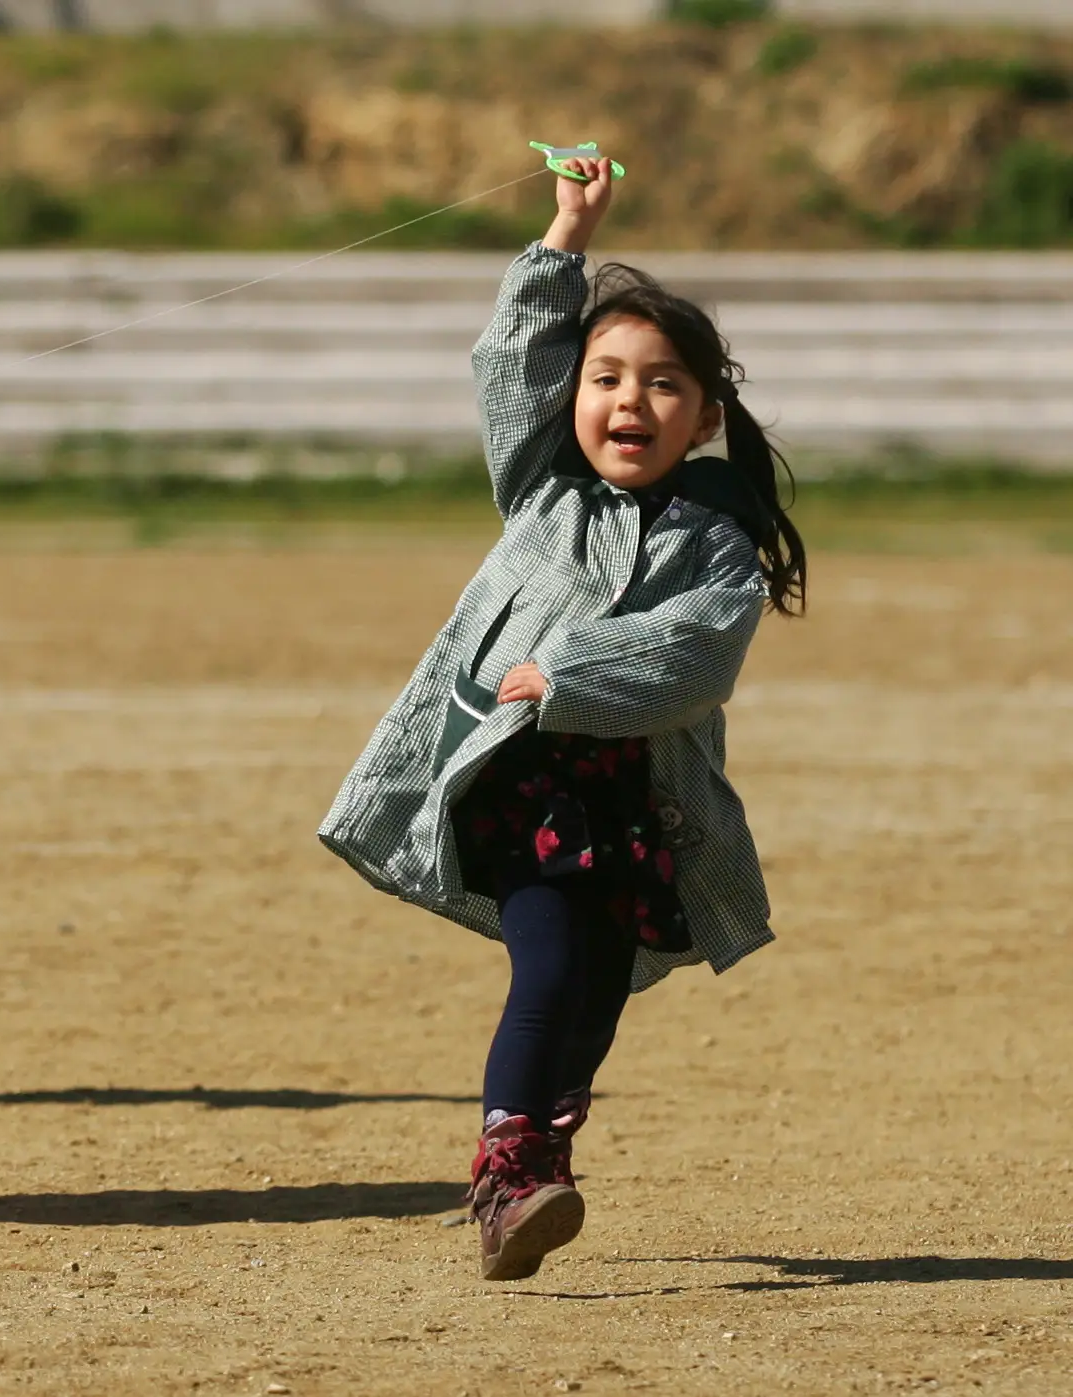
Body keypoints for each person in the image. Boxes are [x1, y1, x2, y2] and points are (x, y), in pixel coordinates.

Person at [316, 157, 806, 1279]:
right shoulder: (542, 488)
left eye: (663, 383)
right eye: (605, 377)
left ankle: (543, 1128)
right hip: (513, 774)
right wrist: (564, 238)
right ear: (570, 398)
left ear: (706, 416)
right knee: (546, 960)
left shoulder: (717, 545)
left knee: (596, 978)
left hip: (631, 795)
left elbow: (700, 655)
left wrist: (573, 666)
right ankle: (507, 1165)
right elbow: (507, 365)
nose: (629, 400)